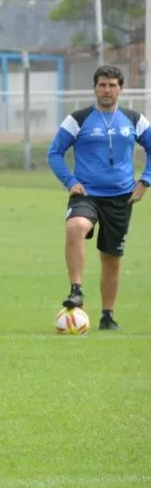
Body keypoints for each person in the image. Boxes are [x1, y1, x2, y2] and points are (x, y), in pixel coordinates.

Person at [46, 65, 150, 331]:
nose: (107, 90)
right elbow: (54, 152)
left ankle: (107, 316)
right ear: (95, 88)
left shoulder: (134, 119)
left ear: (121, 89)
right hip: (87, 194)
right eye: (102, 85)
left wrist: (145, 181)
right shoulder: (78, 119)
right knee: (76, 226)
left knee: (111, 258)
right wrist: (70, 182)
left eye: (112, 85)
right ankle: (77, 289)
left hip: (122, 198)